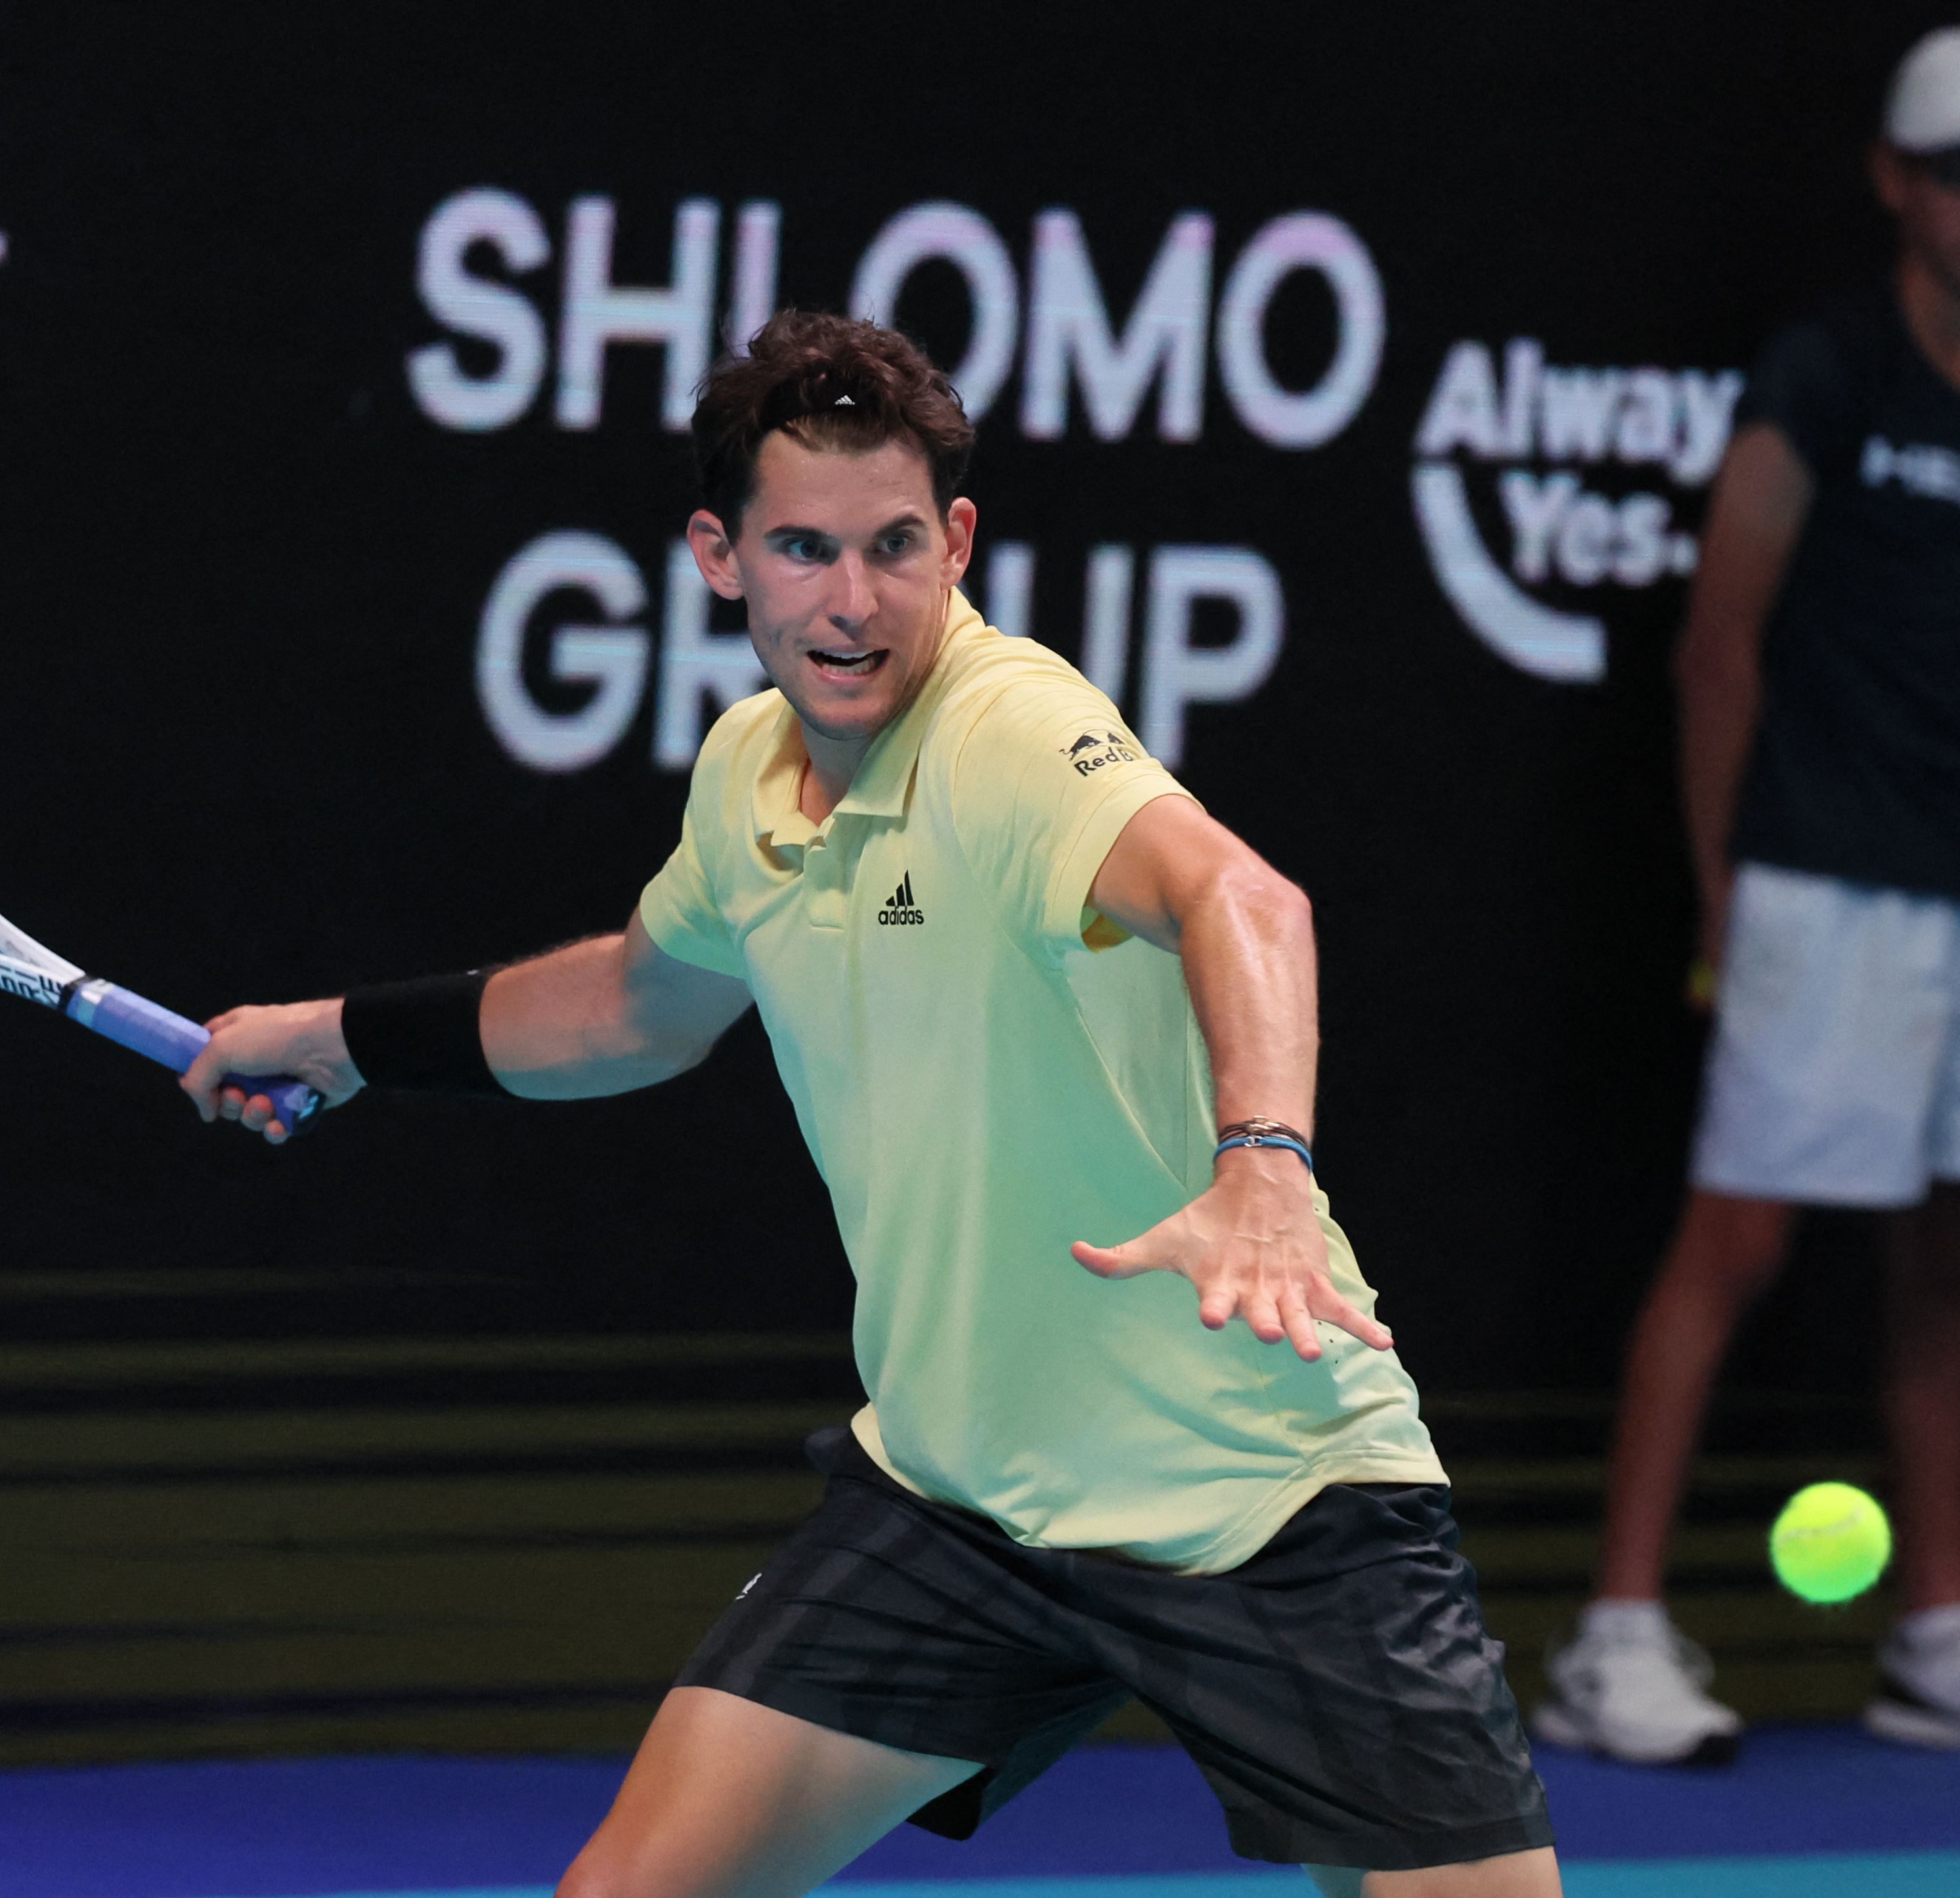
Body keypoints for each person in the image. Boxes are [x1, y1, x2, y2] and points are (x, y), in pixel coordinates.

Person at [185, 311, 1561, 1897]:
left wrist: (1260, 1163)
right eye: (803, 548)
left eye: (895, 547)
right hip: (965, 1497)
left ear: (957, 541)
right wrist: (346, 1036)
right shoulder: (745, 774)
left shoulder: (1005, 731)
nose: (852, 603)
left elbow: (1244, 897)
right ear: (720, 555)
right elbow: (637, 1001)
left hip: (1260, 1488)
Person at [1534, 27, 1960, 1767]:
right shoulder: (1828, 372)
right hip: (1818, 882)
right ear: (1887, 180)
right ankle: (1611, 1629)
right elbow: (1716, 643)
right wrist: (1722, 888)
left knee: (1941, 1256)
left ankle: (1933, 1630)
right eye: (1946, 171)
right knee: (1739, 1237)